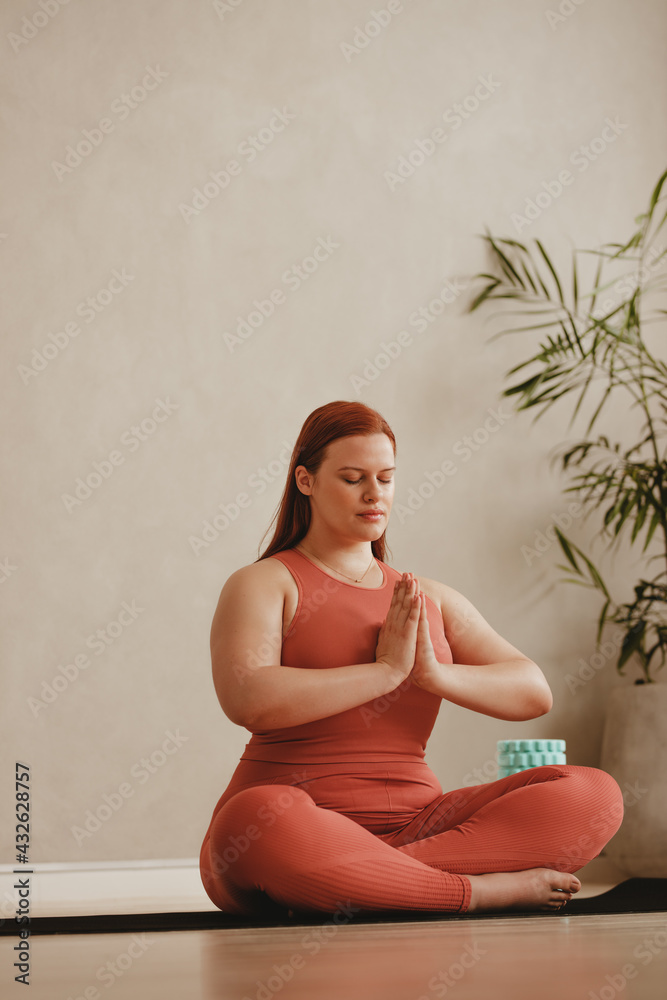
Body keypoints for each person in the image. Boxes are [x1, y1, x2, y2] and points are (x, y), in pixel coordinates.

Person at [199, 400, 623, 916]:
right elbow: (250, 699)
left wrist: (433, 674)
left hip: (420, 821)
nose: (374, 494)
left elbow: (533, 691)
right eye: (353, 478)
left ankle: (366, 879)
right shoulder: (264, 583)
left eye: (386, 478)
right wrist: (384, 673)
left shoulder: (428, 596)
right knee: (256, 818)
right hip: (292, 822)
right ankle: (476, 891)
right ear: (305, 481)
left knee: (593, 794)